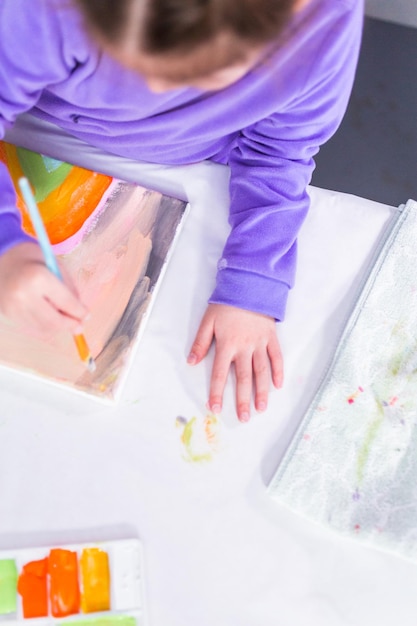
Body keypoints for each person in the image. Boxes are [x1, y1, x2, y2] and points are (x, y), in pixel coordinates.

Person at [0, 0, 363, 421]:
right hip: (34, 125)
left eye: (195, 77)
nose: (153, 89)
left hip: (195, 165)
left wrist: (253, 281)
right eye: (129, 64)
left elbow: (278, 152)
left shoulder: (321, 25)